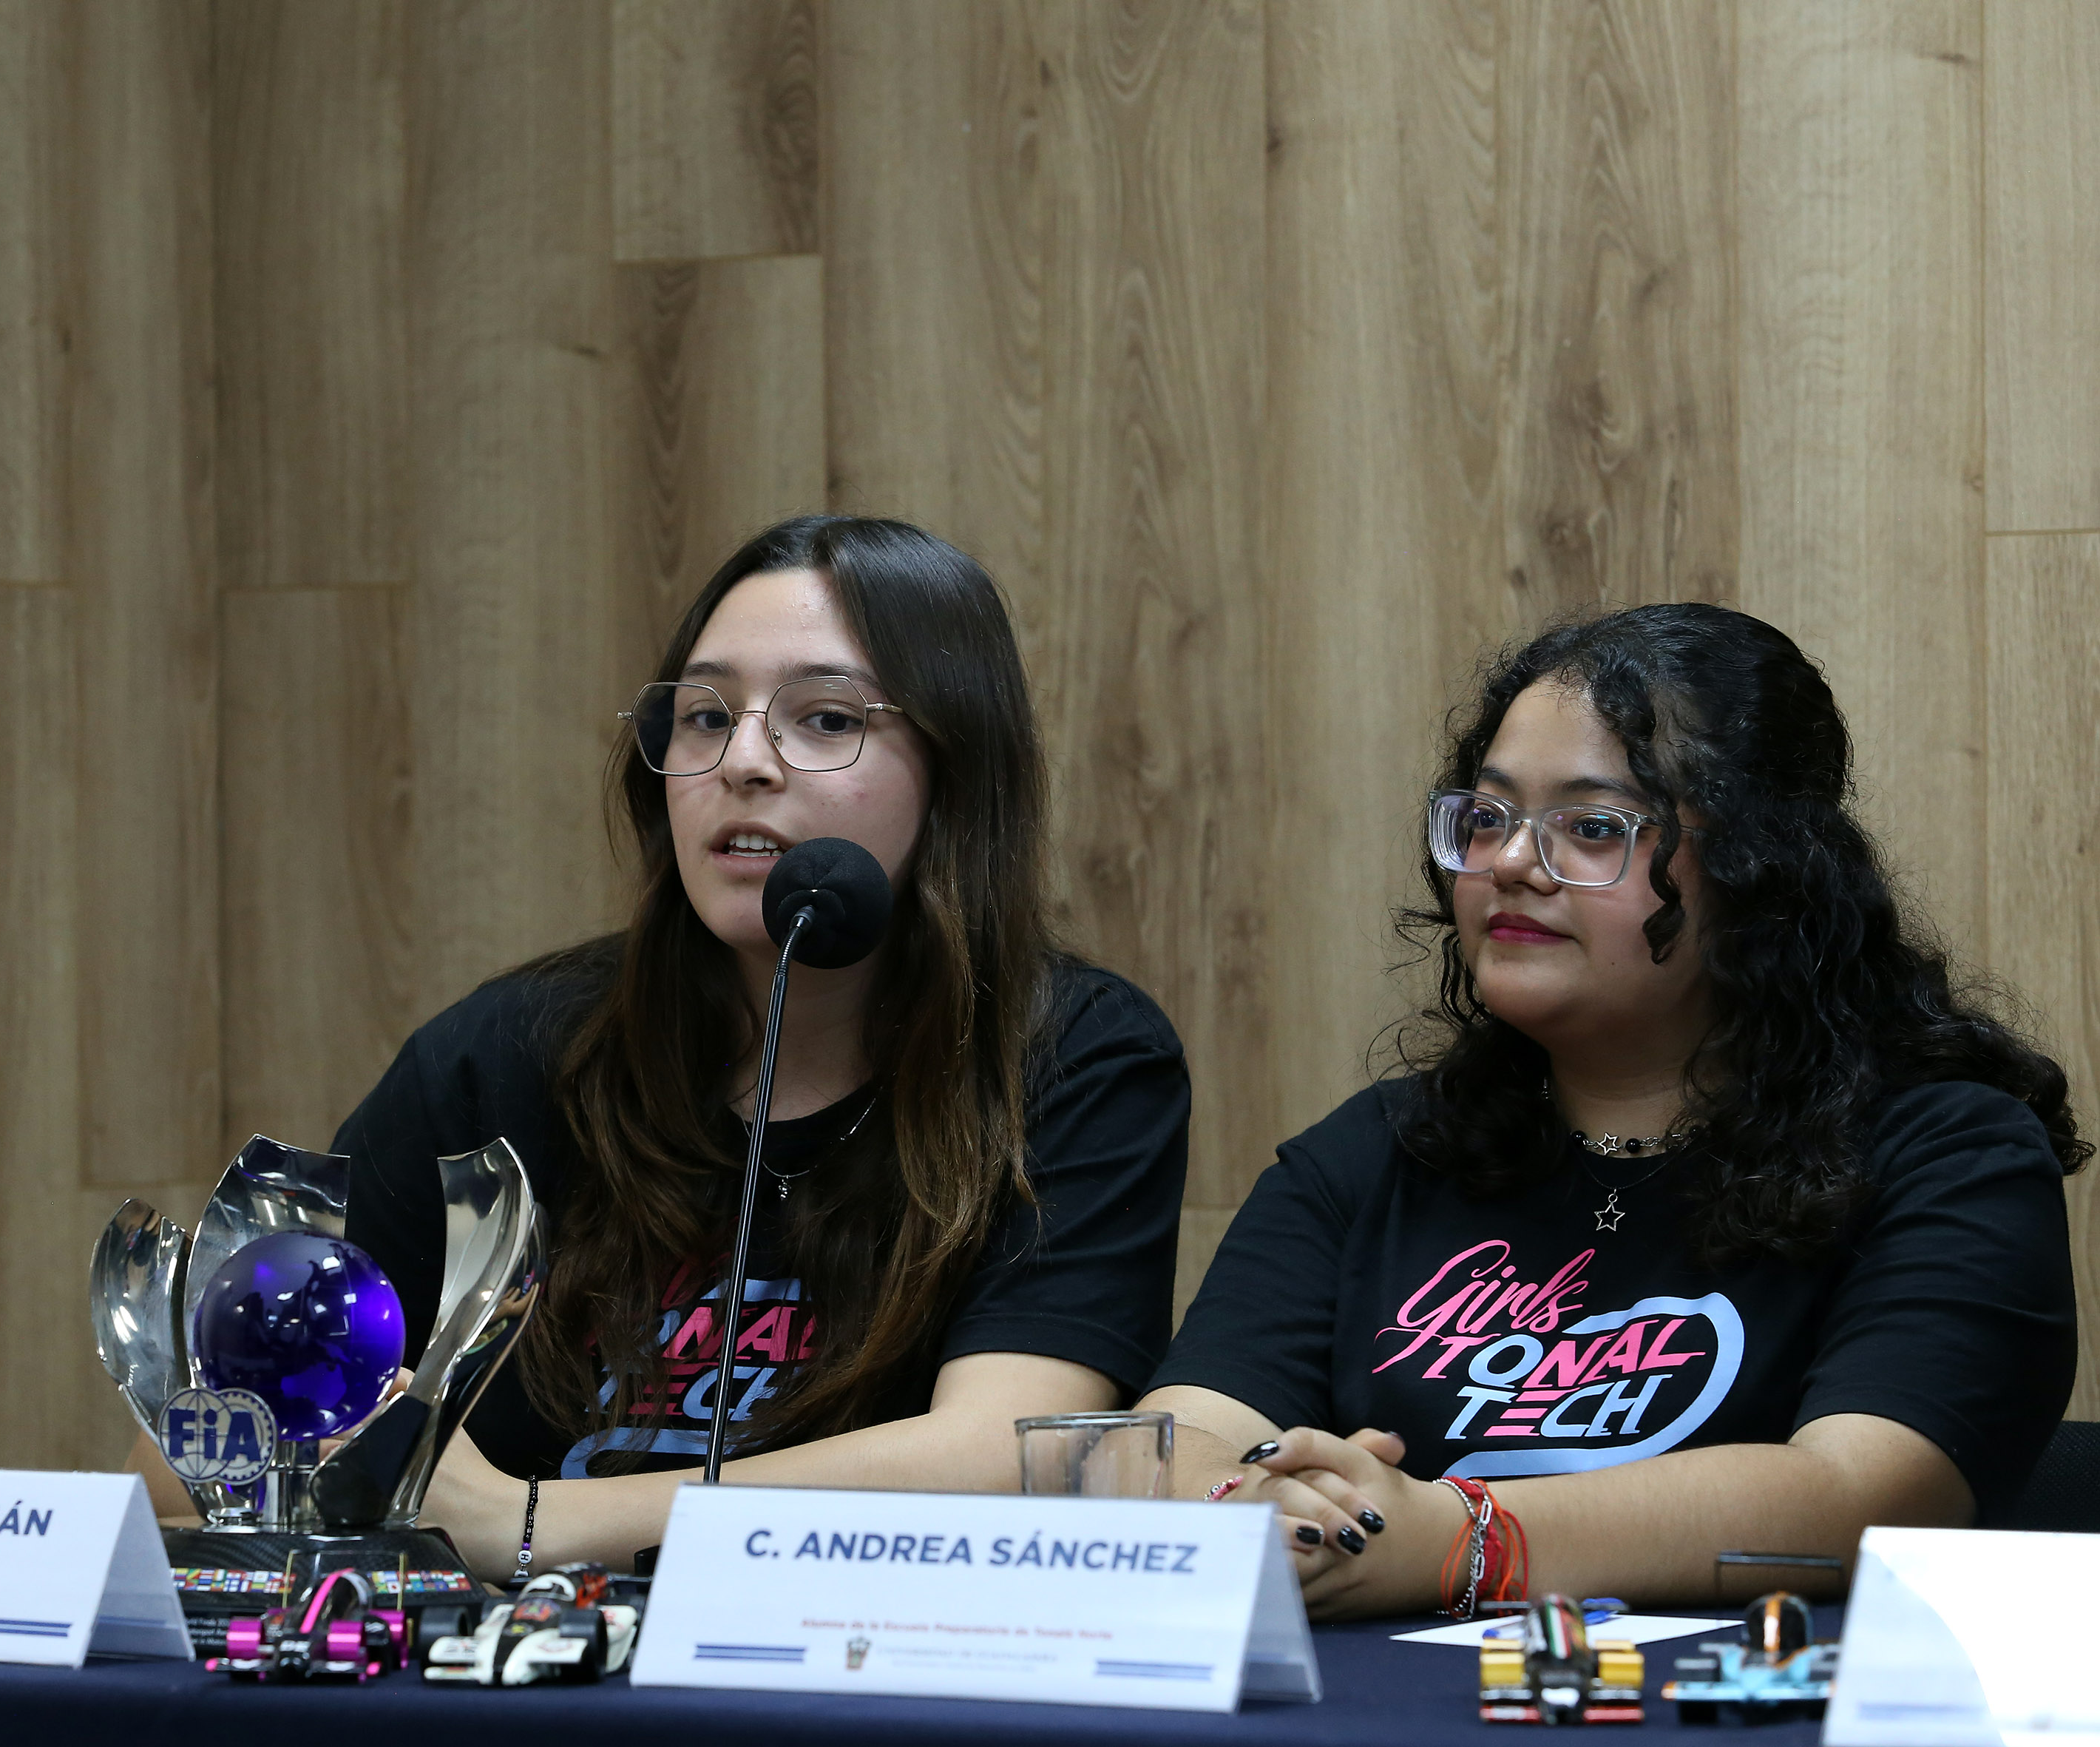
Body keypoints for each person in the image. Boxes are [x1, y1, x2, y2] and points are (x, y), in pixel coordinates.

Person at [1142, 603, 2082, 1619]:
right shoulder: (1377, 1151)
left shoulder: (1946, 1153)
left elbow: (1865, 1494)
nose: (1510, 863)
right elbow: (1173, 1440)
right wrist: (1253, 1510)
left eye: (1592, 827)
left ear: (1758, 874)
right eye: (1488, 817)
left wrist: (1459, 1538)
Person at [320, 516, 1189, 1578]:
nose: (740, 763)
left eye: (825, 718)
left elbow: (1014, 1455)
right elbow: (207, 1437)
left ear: (957, 771)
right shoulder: (509, 1051)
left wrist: (531, 1523)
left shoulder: (1072, 1054)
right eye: (704, 716)